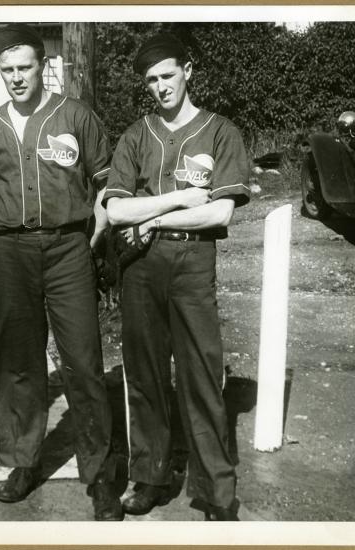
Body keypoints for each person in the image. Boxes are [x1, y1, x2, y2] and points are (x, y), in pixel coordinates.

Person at [0, 23, 123, 521]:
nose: (16, 77)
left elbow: (108, 184)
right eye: (7, 70)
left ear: (42, 66)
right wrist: (4, 231)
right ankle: (22, 462)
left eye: (25, 67)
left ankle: (99, 475)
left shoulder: (74, 115)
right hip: (12, 253)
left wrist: (91, 237)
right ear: (0, 72)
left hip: (70, 248)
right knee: (18, 363)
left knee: (82, 358)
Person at [103, 33, 251, 520]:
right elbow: (118, 208)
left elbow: (220, 214)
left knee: (202, 377)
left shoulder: (219, 131)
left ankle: (216, 491)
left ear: (188, 71)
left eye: (168, 74)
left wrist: (155, 218)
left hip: (192, 262)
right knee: (143, 375)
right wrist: (177, 200)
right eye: (151, 79)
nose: (160, 86)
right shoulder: (135, 135)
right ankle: (149, 477)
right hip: (140, 268)